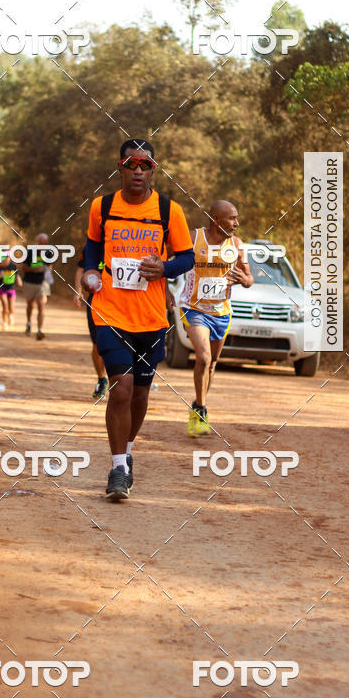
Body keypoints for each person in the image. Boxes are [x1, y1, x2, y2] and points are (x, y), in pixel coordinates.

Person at [82, 139, 194, 501]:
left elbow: (187, 257)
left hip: (150, 318)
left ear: (153, 170)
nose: (139, 171)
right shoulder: (102, 206)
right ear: (121, 167)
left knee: (141, 394)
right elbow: (93, 246)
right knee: (122, 387)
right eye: (132, 165)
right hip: (110, 311)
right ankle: (117, 468)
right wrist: (89, 272)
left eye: (146, 165)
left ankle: (127, 451)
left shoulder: (168, 210)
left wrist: (164, 267)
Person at [179, 201, 254, 437]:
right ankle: (200, 409)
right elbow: (170, 261)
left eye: (236, 218)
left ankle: (199, 402)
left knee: (211, 364)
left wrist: (246, 280)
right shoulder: (194, 237)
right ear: (215, 219)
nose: (236, 223)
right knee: (202, 357)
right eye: (231, 218)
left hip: (221, 312)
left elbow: (249, 277)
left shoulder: (237, 244)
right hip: (193, 308)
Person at [74, 247, 108, 399]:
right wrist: (78, 291)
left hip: (122, 303)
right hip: (96, 302)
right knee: (98, 344)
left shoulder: (125, 242)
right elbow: (81, 269)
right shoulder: (91, 247)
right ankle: (102, 379)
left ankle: (120, 380)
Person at [22, 232, 52, 340]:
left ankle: (39, 330)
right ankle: (29, 323)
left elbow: (50, 267)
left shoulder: (49, 253)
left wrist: (46, 272)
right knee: (30, 305)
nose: (43, 244)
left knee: (41, 305)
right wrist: (35, 269)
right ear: (37, 242)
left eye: (45, 243)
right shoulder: (30, 252)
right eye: (41, 242)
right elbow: (24, 268)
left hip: (42, 283)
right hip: (29, 282)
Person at [0, 245, 21, 330]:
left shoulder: (13, 266)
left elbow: (17, 275)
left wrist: (19, 280)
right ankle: (4, 322)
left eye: (7, 256)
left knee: (11, 308)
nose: (6, 258)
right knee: (5, 306)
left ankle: (11, 315)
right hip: (2, 288)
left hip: (11, 289)